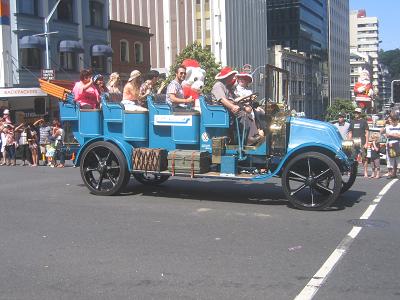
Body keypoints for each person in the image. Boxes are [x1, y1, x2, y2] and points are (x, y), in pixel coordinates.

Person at [211, 67, 261, 146]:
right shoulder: (218, 85)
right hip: (221, 111)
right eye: (231, 76)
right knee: (243, 114)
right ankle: (247, 140)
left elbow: (235, 100)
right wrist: (232, 107)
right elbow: (222, 99)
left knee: (248, 113)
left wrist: (244, 107)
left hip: (227, 110)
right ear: (226, 76)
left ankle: (253, 135)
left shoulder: (227, 87)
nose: (232, 78)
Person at [349, 107, 369, 177]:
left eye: (357, 113)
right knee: (352, 157)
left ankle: (365, 172)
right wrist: (349, 141)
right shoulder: (352, 121)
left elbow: (367, 132)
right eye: (355, 113)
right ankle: (352, 171)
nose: (356, 114)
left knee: (364, 158)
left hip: (362, 142)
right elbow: (350, 132)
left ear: (360, 113)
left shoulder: (364, 121)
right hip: (354, 142)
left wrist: (366, 143)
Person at [381, 112, 400, 179]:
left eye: (394, 120)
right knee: (390, 160)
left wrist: (391, 135)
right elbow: (381, 132)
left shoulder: (399, 126)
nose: (393, 121)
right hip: (390, 145)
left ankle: (395, 173)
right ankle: (391, 174)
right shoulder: (388, 126)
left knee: (398, 159)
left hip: (398, 144)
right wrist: (384, 125)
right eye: (392, 119)